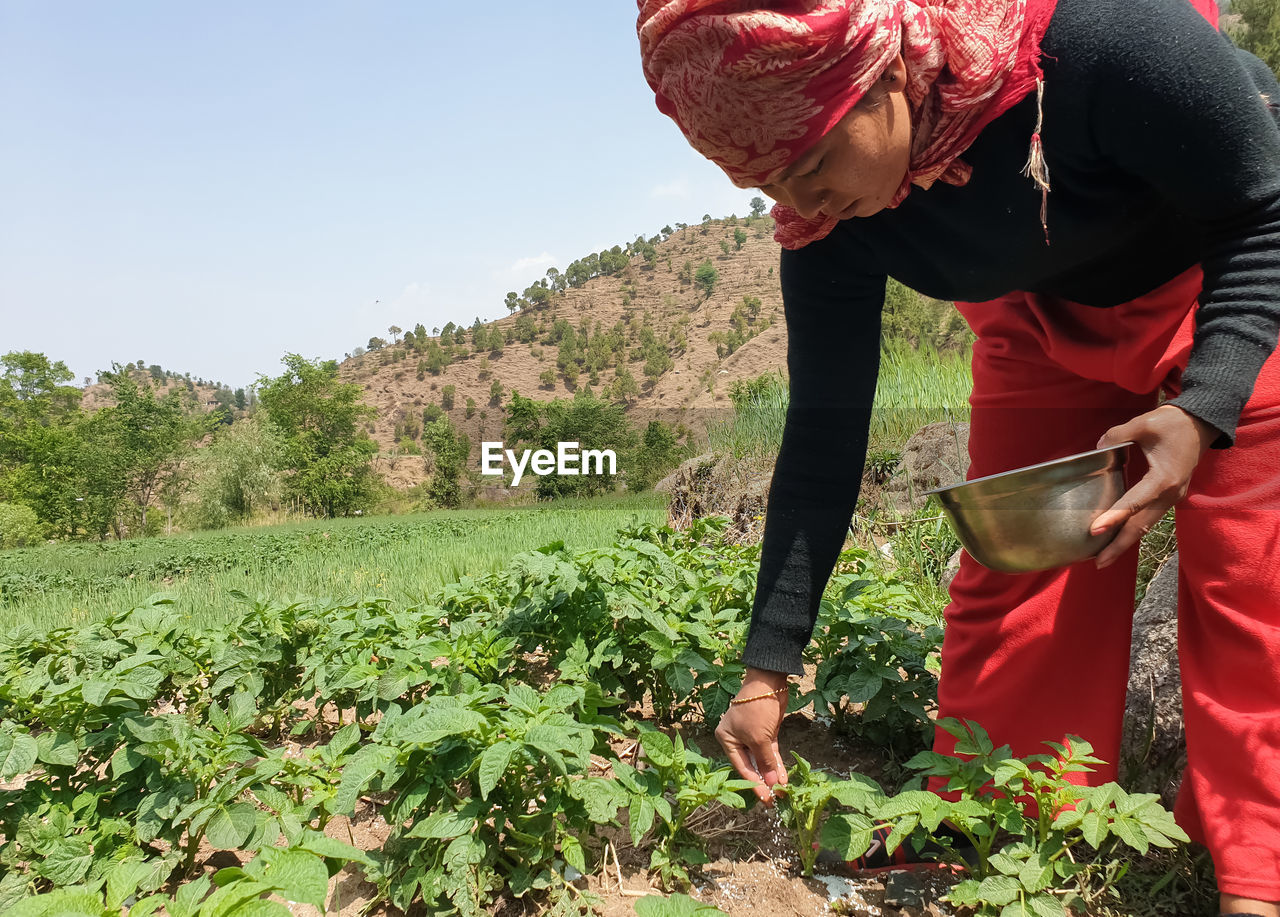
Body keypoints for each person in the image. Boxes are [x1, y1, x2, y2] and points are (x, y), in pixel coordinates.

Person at [637, 0, 1280, 914]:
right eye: (771, 185)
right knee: (1027, 555)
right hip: (1044, 308)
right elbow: (823, 441)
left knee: (1254, 571)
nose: (803, 204)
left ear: (885, 70)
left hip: (1232, 280)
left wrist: (1205, 408)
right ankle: (1006, 833)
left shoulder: (1104, 43)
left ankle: (1258, 878)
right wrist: (764, 672)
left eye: (815, 164)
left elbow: (1263, 210)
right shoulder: (828, 224)